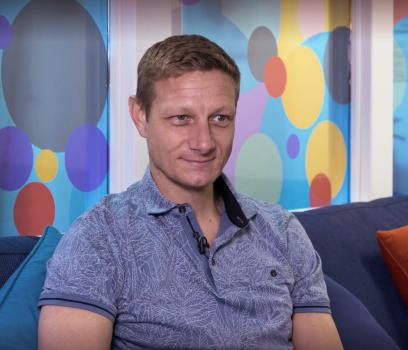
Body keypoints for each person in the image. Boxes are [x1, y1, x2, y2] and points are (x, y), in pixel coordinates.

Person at [38, 34, 343, 350]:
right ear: (140, 116)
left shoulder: (282, 229)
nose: (204, 142)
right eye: (181, 118)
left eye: (220, 118)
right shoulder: (99, 237)